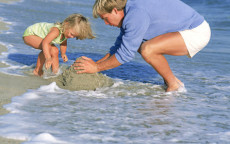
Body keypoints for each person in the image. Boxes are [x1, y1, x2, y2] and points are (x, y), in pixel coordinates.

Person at [74, 0, 211, 92]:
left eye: (105, 18)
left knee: (148, 49)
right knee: (139, 44)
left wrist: (96, 67)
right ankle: (174, 81)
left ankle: (173, 85)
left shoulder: (135, 14)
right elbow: (120, 46)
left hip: (196, 32)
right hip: (185, 29)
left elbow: (125, 55)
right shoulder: (130, 11)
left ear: (115, 10)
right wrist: (96, 66)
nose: (106, 23)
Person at [23, 13, 95, 76]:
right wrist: (48, 58)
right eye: (71, 34)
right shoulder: (56, 31)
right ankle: (37, 70)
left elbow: (63, 43)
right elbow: (45, 42)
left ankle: (55, 72)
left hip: (41, 38)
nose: (71, 37)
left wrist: (63, 53)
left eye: (74, 36)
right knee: (50, 49)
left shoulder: (65, 32)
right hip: (30, 35)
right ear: (66, 24)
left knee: (55, 51)